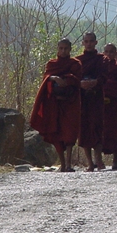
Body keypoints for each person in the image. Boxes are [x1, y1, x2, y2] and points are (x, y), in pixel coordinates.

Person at [29, 38, 82, 172]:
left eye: (66, 49)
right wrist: (54, 78)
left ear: (70, 49)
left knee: (70, 133)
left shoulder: (75, 64)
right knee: (56, 132)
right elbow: (46, 77)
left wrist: (68, 79)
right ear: (58, 49)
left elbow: (77, 80)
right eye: (61, 48)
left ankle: (69, 164)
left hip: (70, 103)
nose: (63, 51)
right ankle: (63, 165)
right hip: (54, 104)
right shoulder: (52, 64)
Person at [77, 32, 107, 171]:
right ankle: (90, 163)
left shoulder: (102, 59)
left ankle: (98, 160)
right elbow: (74, 77)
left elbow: (104, 76)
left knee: (97, 127)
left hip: (96, 98)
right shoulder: (78, 61)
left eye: (91, 41)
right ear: (83, 43)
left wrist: (95, 82)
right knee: (84, 130)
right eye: (86, 41)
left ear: (96, 42)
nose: (89, 43)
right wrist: (80, 83)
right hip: (83, 99)